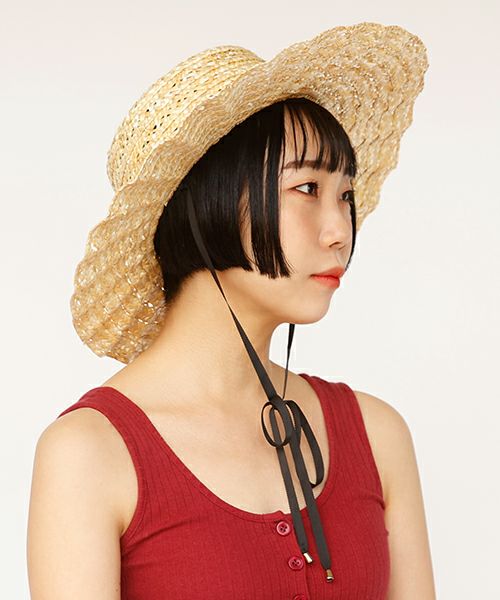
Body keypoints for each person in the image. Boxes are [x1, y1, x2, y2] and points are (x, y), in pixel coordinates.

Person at [27, 23, 436, 599]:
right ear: (209, 200)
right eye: (307, 189)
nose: (340, 231)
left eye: (345, 195)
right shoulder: (90, 453)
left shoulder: (376, 435)